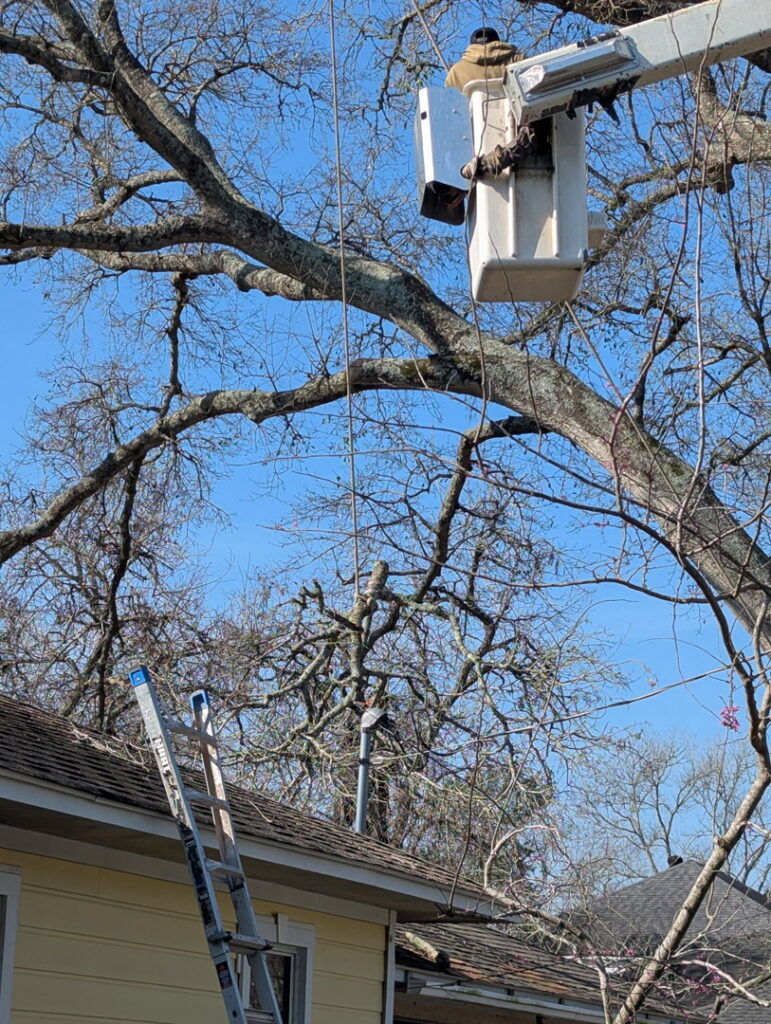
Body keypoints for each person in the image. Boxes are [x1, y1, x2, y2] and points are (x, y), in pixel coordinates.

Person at [445, 27, 521, 93]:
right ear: (498, 42)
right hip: (516, 109)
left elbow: (449, 104)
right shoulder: (518, 60)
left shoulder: (456, 72)